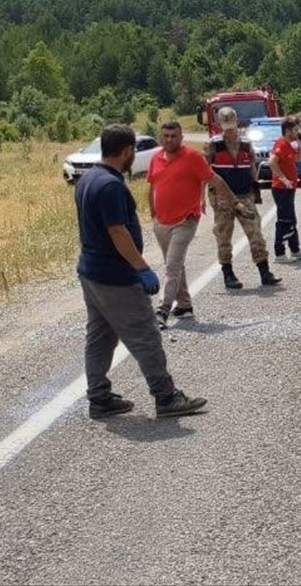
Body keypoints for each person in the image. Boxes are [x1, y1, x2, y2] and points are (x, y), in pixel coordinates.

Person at [75, 124, 206, 419]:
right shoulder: (110, 186)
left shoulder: (88, 179)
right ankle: (166, 396)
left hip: (91, 272)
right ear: (126, 151)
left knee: (100, 337)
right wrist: (142, 268)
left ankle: (99, 397)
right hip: (114, 277)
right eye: (133, 151)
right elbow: (117, 232)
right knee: (145, 334)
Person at [147, 120, 248, 326]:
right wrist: (153, 214)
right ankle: (184, 306)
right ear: (160, 137)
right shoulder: (156, 158)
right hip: (162, 222)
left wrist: (236, 203)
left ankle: (162, 310)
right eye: (165, 136)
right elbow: (152, 186)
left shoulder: (193, 158)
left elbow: (216, 181)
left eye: (173, 136)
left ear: (181, 138)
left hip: (186, 220)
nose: (169, 140)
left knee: (172, 265)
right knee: (175, 265)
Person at [205, 106, 279, 290]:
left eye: (232, 125)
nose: (229, 129)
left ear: (237, 122)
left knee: (255, 232)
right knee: (223, 235)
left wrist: (256, 189)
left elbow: (252, 166)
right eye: (226, 125)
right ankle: (228, 274)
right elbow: (205, 172)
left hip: (245, 194)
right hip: (222, 197)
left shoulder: (246, 143)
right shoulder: (213, 144)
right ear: (220, 125)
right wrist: (201, 198)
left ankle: (264, 271)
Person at [269, 115, 301, 263]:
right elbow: (272, 162)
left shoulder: (289, 145)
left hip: (289, 188)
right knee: (284, 220)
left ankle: (295, 250)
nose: (297, 132)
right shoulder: (281, 144)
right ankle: (279, 254)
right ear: (287, 131)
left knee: (292, 219)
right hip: (281, 188)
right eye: (295, 130)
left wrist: (300, 144)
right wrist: (283, 179)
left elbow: (297, 159)